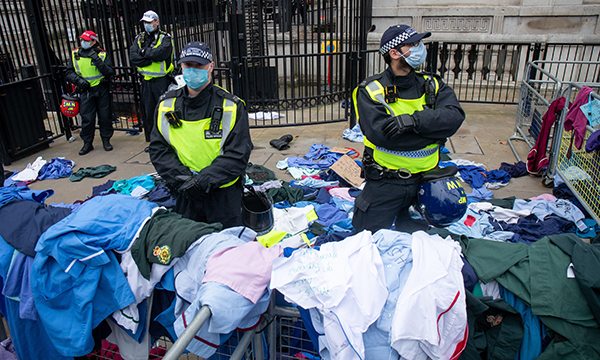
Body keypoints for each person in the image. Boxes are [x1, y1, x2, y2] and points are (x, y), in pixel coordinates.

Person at [351, 25, 465, 233]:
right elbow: (381, 135)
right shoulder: (370, 90)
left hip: (428, 182)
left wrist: (413, 121)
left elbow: (454, 118)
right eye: (413, 44)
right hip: (385, 183)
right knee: (365, 243)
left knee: (421, 249)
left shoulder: (432, 84)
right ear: (394, 53)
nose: (421, 48)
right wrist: (433, 133)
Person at [149, 41, 252, 228]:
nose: (193, 70)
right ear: (181, 66)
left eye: (199, 65)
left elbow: (238, 154)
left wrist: (203, 181)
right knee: (189, 250)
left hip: (223, 197)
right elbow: (158, 149)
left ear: (211, 66)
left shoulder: (231, 105)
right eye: (188, 65)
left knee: (226, 250)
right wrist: (184, 179)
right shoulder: (166, 105)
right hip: (184, 193)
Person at [129, 10, 174, 149]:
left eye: (149, 22)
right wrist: (148, 58)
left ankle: (167, 141)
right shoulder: (139, 38)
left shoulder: (165, 38)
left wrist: (144, 53)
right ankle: (154, 142)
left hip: (162, 81)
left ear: (156, 22)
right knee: (149, 113)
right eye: (145, 22)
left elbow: (160, 54)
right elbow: (133, 57)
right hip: (146, 81)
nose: (147, 25)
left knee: (164, 111)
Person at [65, 30, 115, 155]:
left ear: (94, 41)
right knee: (87, 118)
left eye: (87, 40)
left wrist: (96, 59)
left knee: (105, 117)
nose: (84, 43)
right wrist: (78, 81)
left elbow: (109, 72)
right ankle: (87, 143)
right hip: (85, 90)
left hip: (101, 89)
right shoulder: (75, 53)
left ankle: (106, 140)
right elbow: (69, 72)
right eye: (82, 40)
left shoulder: (102, 54)